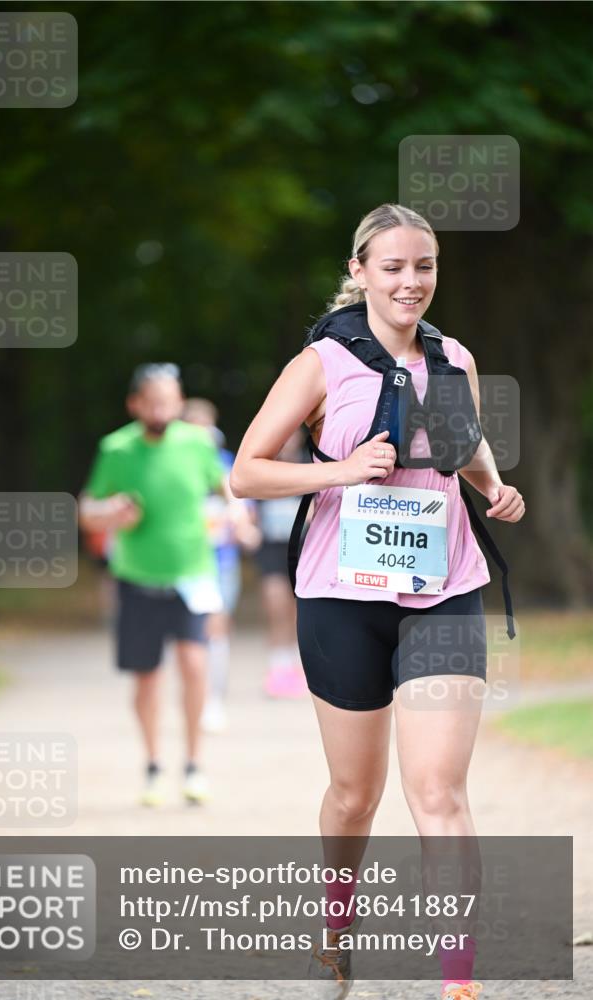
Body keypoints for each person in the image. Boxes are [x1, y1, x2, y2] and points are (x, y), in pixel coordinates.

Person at [231, 204, 525, 1000]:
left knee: (437, 790)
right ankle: (335, 926)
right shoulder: (321, 364)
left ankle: (456, 983)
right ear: (359, 271)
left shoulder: (450, 355)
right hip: (340, 598)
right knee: (355, 795)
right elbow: (248, 472)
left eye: (422, 267)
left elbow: (463, 444)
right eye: (392, 267)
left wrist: (494, 488)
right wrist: (339, 470)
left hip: (442, 591)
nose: (409, 282)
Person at [79, 363, 226, 806]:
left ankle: (195, 765)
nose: (163, 408)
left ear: (180, 402)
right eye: (154, 401)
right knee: (147, 680)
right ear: (135, 404)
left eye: (170, 400)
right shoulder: (116, 448)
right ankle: (153, 764)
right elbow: (87, 507)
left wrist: (237, 513)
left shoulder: (198, 443)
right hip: (137, 579)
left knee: (196, 667)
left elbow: (226, 489)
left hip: (192, 575)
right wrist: (110, 513)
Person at [182, 397, 260, 732]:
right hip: (182, 563)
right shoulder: (175, 467)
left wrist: (243, 527)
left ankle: (213, 700)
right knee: (187, 636)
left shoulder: (227, 464)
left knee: (216, 628)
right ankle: (192, 697)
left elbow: (247, 510)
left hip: (220, 561)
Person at [253, 429, 310, 698]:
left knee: (301, 613)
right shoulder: (263, 466)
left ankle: (299, 669)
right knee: (277, 609)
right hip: (272, 550)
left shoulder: (310, 464)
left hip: (303, 548)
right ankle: (278, 668)